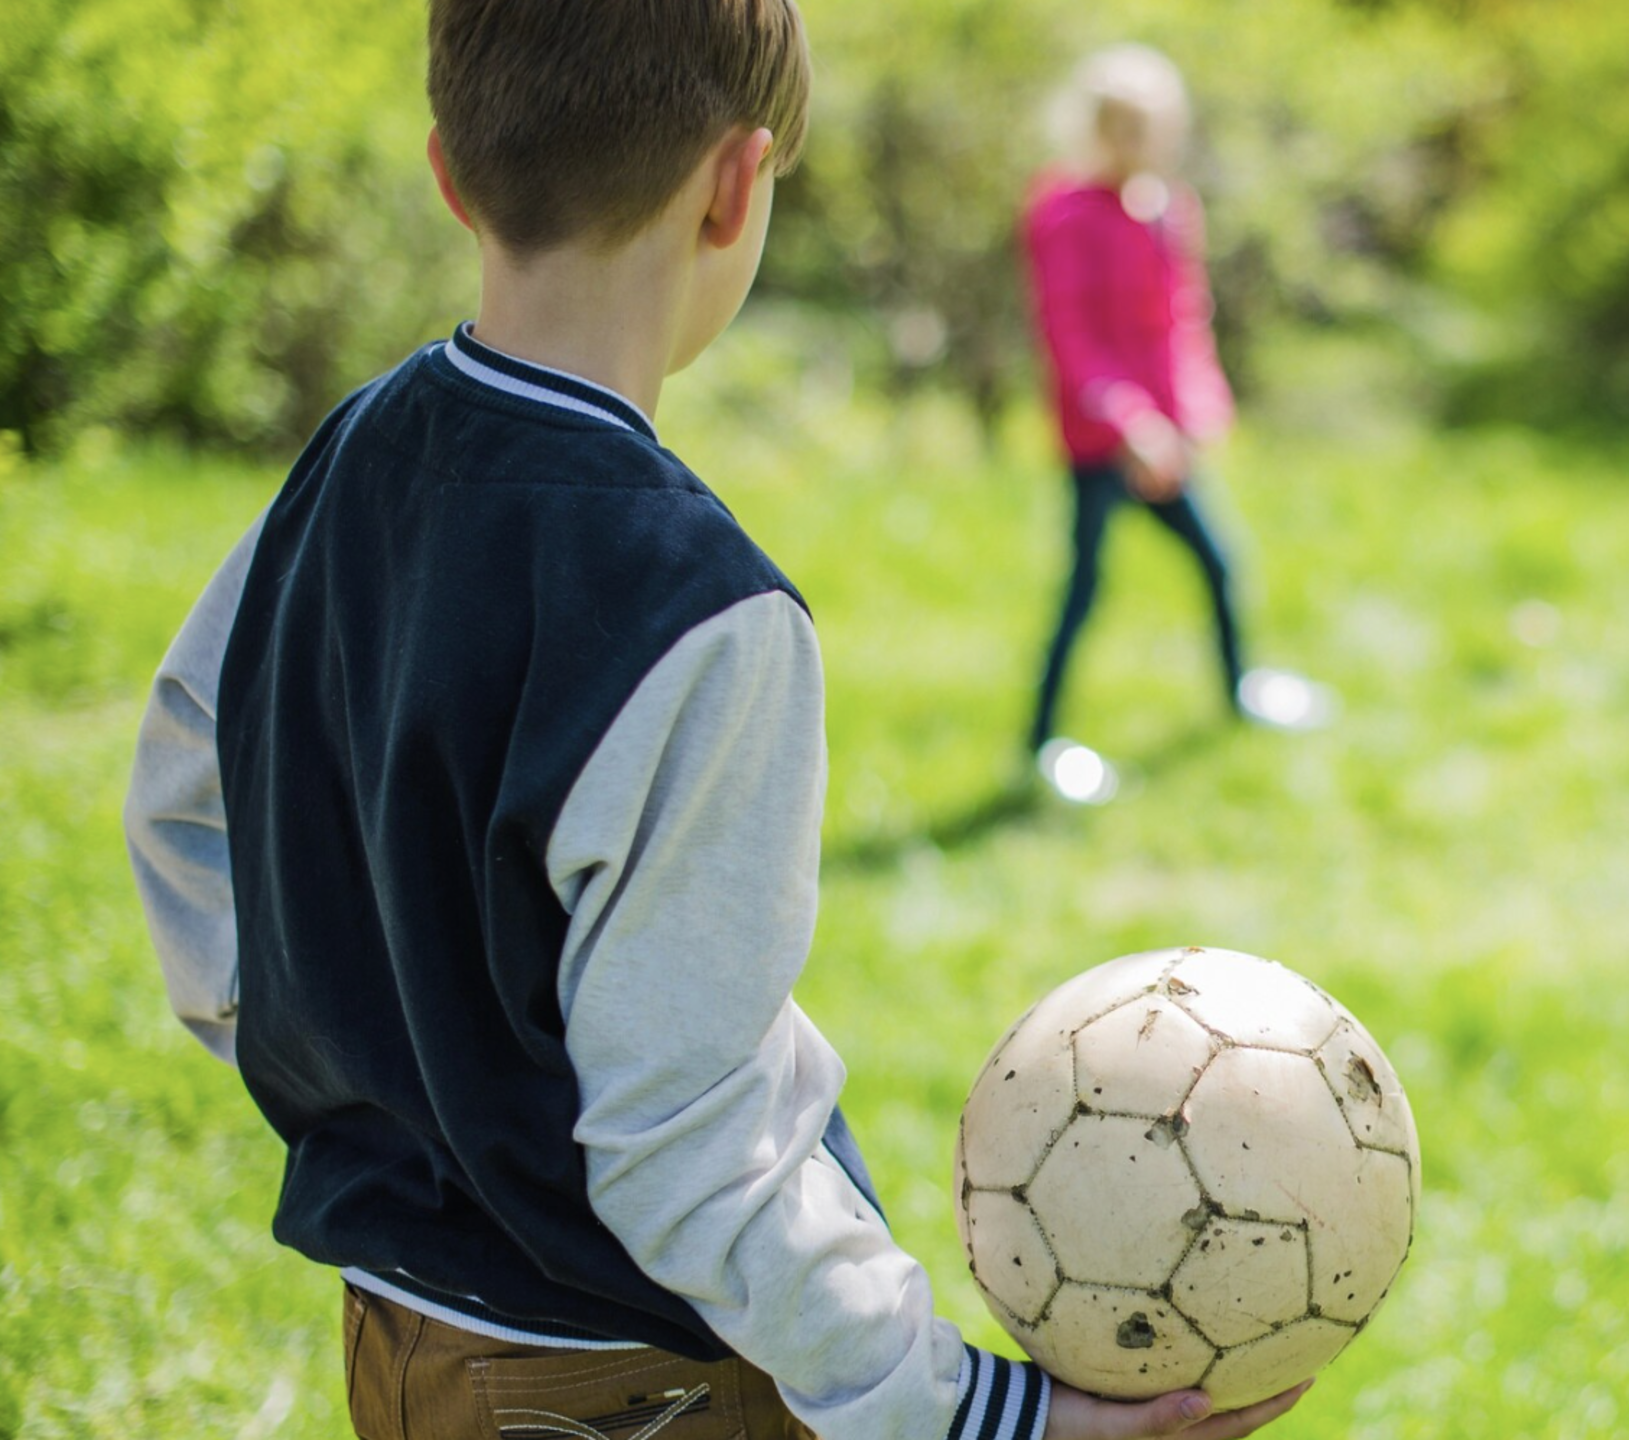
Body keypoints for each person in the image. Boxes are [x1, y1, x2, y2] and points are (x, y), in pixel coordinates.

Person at [119, 5, 1308, 1439]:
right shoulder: (696, 607)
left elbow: (187, 795)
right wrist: (970, 1412)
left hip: (403, 1346)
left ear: (449, 170)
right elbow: (687, 1142)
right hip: (628, 1387)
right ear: (739, 185)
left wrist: (366, 1066)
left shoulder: (349, 449)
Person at [1022, 44, 1331, 805]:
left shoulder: (1168, 209)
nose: (1138, 143)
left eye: (1149, 127)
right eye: (1122, 127)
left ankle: (1239, 693)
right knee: (1085, 586)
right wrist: (1131, 424)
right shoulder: (1062, 212)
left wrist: (1195, 412)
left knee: (1222, 563)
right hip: (1102, 446)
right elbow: (1072, 338)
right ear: (1094, 127)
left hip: (1168, 440)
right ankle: (1041, 742)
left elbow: (1184, 322)